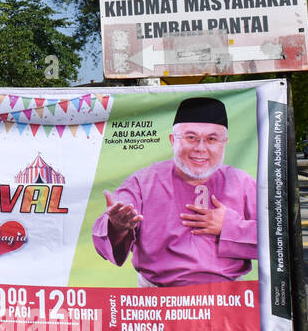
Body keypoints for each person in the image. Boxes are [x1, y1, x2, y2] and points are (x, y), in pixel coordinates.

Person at [92, 96, 257, 287]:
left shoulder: (242, 183)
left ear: (224, 142)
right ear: (173, 140)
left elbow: (275, 239)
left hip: (226, 298)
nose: (200, 148)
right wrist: (117, 226)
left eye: (212, 139)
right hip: (158, 299)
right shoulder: (141, 182)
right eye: (191, 138)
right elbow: (113, 220)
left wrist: (229, 227)